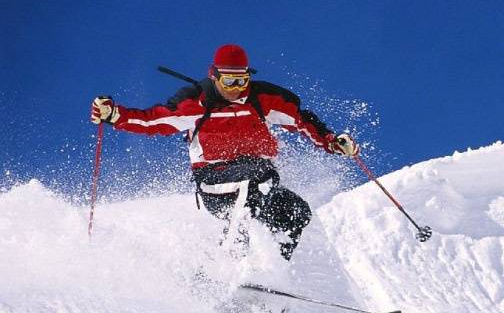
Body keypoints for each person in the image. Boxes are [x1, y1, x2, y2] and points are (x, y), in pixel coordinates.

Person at [90, 44, 359, 260]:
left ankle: (271, 275)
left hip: (261, 180)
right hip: (214, 181)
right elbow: (153, 121)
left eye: (242, 80)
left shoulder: (262, 100)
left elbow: (301, 121)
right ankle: (229, 263)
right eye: (229, 81)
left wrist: (331, 142)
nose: (237, 89)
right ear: (214, 76)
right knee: (253, 180)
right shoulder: (196, 104)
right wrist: (114, 115)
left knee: (296, 212)